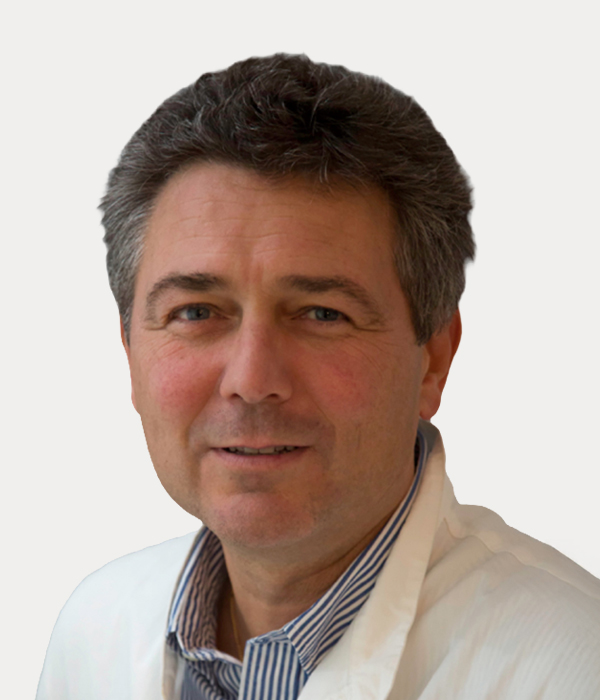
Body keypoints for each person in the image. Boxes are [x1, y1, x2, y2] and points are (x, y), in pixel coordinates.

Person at [36, 54, 600, 700]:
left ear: (434, 359)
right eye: (194, 312)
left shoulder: (575, 670)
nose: (251, 380)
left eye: (322, 314)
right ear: (129, 351)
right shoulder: (93, 632)